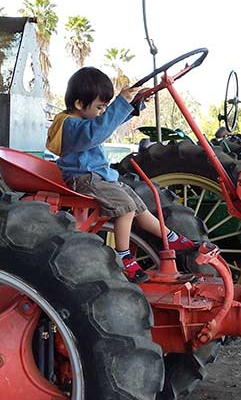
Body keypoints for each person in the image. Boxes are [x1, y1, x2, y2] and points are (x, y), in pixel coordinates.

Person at [48, 67, 198, 283]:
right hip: (85, 179)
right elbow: (99, 130)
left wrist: (134, 103)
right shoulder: (71, 125)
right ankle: (123, 257)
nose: (102, 112)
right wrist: (120, 104)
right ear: (80, 104)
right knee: (126, 208)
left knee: (139, 208)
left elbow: (106, 123)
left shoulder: (84, 121)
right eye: (100, 107)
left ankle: (171, 238)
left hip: (100, 178)